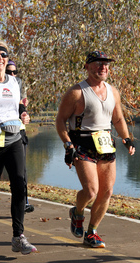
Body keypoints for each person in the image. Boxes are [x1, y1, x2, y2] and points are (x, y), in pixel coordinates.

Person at [56, 50, 135, 248]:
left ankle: (91, 232)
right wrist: (68, 144)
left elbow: (117, 119)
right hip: (82, 144)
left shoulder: (113, 91)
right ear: (87, 67)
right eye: (98, 63)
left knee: (106, 192)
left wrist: (127, 139)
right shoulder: (76, 92)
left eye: (106, 64)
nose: (103, 67)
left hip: (106, 144)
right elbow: (60, 120)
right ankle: (78, 211)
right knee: (91, 191)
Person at [0, 40, 37, 254]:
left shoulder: (15, 82)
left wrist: (24, 115)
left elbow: (19, 107)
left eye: (3, 55)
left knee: (20, 186)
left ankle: (18, 237)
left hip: (13, 138)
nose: (0, 58)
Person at [0, 60, 34, 214]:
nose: (13, 75)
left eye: (15, 72)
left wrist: (24, 112)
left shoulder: (18, 84)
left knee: (21, 172)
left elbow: (21, 105)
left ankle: (24, 202)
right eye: (10, 72)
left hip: (17, 133)